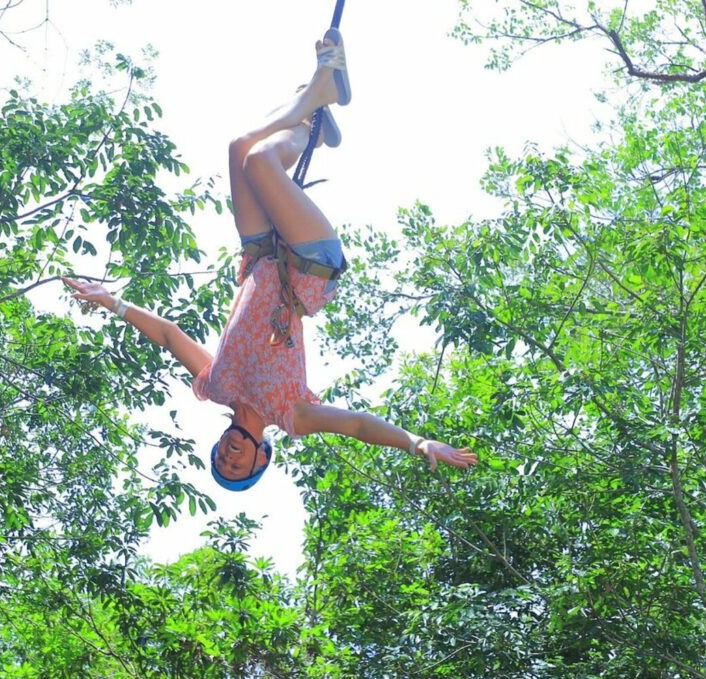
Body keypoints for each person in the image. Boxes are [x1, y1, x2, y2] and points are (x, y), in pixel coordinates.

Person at [64, 31, 476, 491]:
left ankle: (310, 125)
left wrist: (111, 303)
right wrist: (417, 443)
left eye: (220, 460)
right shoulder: (292, 415)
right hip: (306, 267)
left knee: (240, 148)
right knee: (260, 159)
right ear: (262, 458)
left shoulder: (214, 385)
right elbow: (358, 425)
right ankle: (317, 98)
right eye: (238, 468)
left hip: (260, 253)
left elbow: (166, 334)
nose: (228, 457)